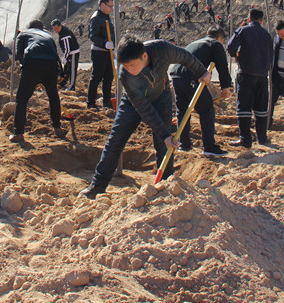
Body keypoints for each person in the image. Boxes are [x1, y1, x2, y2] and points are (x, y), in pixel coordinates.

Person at [80, 36, 211, 198]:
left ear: (144, 56)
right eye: (125, 66)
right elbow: (144, 108)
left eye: (132, 65)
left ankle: (165, 185)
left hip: (161, 96)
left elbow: (185, 57)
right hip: (133, 102)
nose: (129, 69)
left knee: (164, 145)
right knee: (116, 139)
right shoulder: (125, 75)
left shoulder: (162, 49)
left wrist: (201, 72)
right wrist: (164, 134)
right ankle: (98, 185)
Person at [170, 27, 232, 156]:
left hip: (176, 76)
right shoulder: (215, 44)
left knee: (183, 110)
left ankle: (184, 144)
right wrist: (226, 87)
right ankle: (209, 147)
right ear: (220, 38)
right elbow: (222, 66)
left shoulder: (196, 43)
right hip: (190, 77)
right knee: (206, 109)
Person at [11, 19, 64, 142]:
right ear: (42, 28)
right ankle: (57, 128)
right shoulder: (48, 35)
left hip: (33, 63)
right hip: (51, 64)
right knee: (53, 95)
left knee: (22, 98)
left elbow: (19, 54)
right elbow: (54, 51)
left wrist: (25, 68)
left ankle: (18, 133)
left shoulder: (23, 34)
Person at [227, 9, 273, 149]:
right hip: (262, 76)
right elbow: (271, 54)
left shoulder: (243, 30)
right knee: (261, 108)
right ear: (262, 20)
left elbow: (230, 47)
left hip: (246, 74)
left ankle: (245, 139)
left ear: (248, 18)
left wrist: (237, 55)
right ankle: (262, 138)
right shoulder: (266, 34)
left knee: (244, 107)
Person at [87, 0, 116, 110]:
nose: (111, 9)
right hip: (99, 52)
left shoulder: (106, 16)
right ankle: (91, 102)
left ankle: (107, 101)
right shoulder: (96, 17)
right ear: (103, 4)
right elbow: (93, 36)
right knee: (96, 77)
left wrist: (113, 48)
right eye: (110, 6)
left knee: (109, 77)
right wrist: (104, 43)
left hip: (108, 51)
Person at [51, 19, 80, 91]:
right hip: (70, 53)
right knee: (67, 69)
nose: (56, 30)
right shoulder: (62, 30)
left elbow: (67, 48)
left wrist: (65, 57)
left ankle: (71, 87)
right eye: (54, 29)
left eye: (57, 28)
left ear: (60, 25)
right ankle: (63, 83)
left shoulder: (65, 34)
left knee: (72, 70)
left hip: (73, 53)